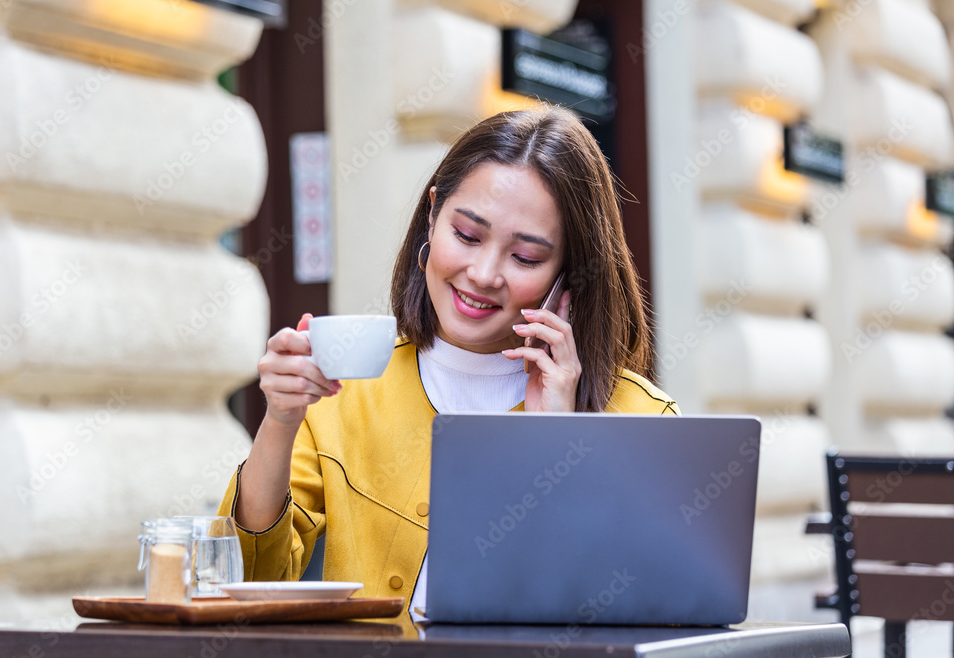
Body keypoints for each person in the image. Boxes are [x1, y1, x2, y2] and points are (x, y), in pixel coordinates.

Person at [217, 107, 679, 629]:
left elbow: (642, 613)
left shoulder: (643, 419)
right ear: (433, 214)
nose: (482, 275)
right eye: (467, 234)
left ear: (570, 271)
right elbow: (251, 579)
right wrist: (280, 419)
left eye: (525, 257)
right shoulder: (346, 395)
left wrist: (556, 436)